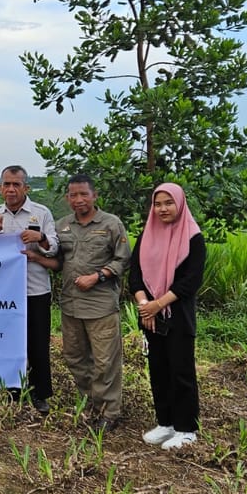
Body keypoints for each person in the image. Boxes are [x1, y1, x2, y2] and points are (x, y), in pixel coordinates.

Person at [27, 174, 130, 433]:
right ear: (67, 198)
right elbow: (58, 262)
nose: (79, 199)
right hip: (71, 306)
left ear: (94, 196)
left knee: (105, 362)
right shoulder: (62, 227)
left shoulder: (111, 224)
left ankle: (109, 412)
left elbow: (123, 260)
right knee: (75, 358)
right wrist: (35, 258)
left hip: (101, 307)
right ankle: (92, 404)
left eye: (84, 194)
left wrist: (98, 276)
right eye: (73, 195)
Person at [129, 183, 207, 450]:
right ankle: (166, 423)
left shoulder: (193, 238)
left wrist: (157, 304)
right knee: (158, 370)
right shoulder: (147, 235)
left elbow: (190, 281)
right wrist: (144, 304)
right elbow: (135, 275)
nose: (162, 209)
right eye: (158, 204)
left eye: (168, 203)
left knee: (181, 371)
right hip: (151, 316)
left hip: (177, 315)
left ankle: (187, 429)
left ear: (180, 204)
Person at [0, 165, 57, 414]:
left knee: (38, 343)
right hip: (4, 293)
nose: (11, 189)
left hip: (34, 289)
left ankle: (40, 395)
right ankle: (14, 393)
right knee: (10, 344)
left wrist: (40, 239)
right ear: (0, 188)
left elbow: (54, 248)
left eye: (16, 184)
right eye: (6, 184)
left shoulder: (41, 212)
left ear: (26, 187)